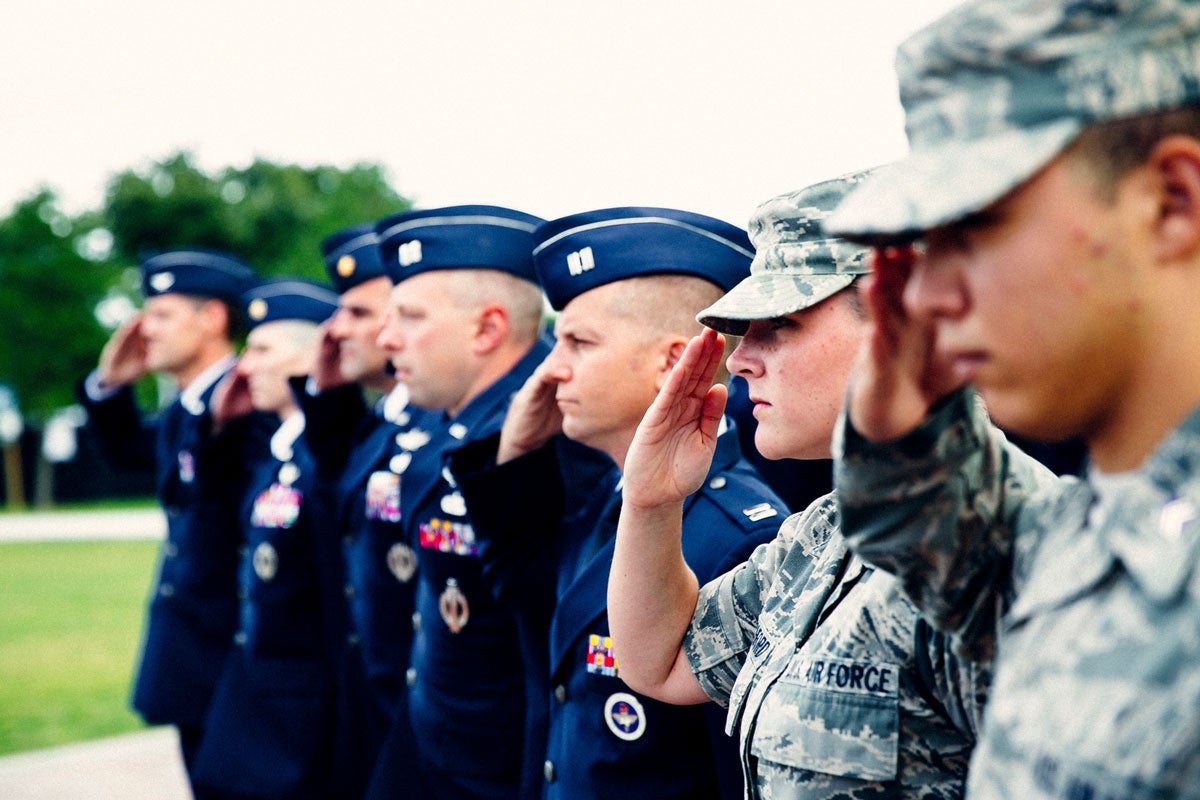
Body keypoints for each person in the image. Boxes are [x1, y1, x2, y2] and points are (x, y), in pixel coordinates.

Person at [822, 1, 1200, 796]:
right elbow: (961, 558)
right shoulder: (1098, 522)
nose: (923, 293)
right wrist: (902, 429)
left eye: (974, 228)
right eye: (923, 248)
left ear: (1172, 200)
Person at [608, 177, 988, 799]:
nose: (739, 359)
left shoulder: (996, 552)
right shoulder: (827, 531)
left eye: (779, 324)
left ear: (906, 318)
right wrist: (651, 500)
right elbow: (660, 663)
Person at [451, 207, 787, 799]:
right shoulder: (605, 502)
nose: (551, 370)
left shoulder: (741, 539)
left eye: (579, 343)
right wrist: (517, 456)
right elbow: (524, 607)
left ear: (674, 363)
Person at [372, 204, 550, 799]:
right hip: (432, 739)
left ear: (486, 329)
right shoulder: (443, 423)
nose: (386, 336)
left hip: (498, 765)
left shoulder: (544, 435)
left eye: (412, 316)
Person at [76, 250, 256, 795]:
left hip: (235, 657)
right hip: (195, 657)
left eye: (161, 315)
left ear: (213, 319)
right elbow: (132, 452)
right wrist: (110, 385)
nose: (142, 329)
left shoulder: (247, 404)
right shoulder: (187, 406)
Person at [190, 277, 340, 799]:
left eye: (261, 350)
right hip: (255, 694)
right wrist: (220, 432)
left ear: (309, 358)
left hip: (304, 713)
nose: (244, 365)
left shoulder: (326, 457)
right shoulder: (273, 448)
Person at [297, 221, 424, 798]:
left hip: (420, 709)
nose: (334, 329)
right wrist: (325, 399)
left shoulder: (432, 420)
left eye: (356, 313)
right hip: (373, 697)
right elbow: (338, 506)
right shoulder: (383, 417)